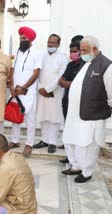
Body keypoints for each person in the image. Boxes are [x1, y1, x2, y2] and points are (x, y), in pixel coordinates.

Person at [61, 36, 112, 183]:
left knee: (88, 145)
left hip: (93, 114)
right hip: (76, 113)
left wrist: (106, 109)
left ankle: (87, 171)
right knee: (74, 140)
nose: (81, 53)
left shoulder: (106, 65)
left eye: (84, 50)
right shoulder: (88, 62)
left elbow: (111, 92)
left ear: (95, 49)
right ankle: (76, 166)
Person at [8, 26, 42, 156]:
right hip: (16, 90)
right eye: (20, 38)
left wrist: (24, 87)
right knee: (15, 116)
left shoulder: (36, 53)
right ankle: (15, 140)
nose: (21, 40)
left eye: (24, 38)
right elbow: (12, 70)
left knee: (30, 118)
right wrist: (12, 86)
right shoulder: (17, 52)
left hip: (28, 91)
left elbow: (36, 73)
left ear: (30, 40)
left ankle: (29, 144)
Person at [34, 34, 68, 153]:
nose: (50, 44)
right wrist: (40, 88)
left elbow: (61, 76)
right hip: (41, 90)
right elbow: (36, 72)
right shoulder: (41, 55)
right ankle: (44, 140)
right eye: (49, 42)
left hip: (55, 91)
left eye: (53, 43)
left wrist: (48, 89)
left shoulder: (63, 57)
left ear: (58, 44)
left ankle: (52, 142)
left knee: (54, 117)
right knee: (43, 116)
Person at [58, 36, 84, 163]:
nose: (72, 54)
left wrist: (69, 83)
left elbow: (81, 84)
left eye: (74, 51)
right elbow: (61, 81)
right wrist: (71, 83)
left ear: (80, 51)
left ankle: (78, 159)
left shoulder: (85, 65)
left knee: (78, 131)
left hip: (80, 103)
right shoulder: (70, 65)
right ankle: (71, 157)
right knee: (68, 130)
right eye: (71, 52)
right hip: (67, 101)